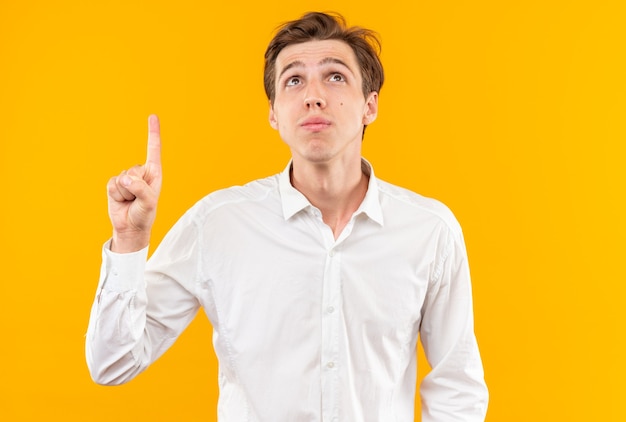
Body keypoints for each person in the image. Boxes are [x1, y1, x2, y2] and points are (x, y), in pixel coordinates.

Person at [86, 11, 489, 421]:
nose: (313, 95)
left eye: (335, 76)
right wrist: (130, 240)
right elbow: (112, 363)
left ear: (370, 106)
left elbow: (457, 386)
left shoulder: (428, 231)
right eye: (293, 80)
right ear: (274, 114)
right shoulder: (218, 224)